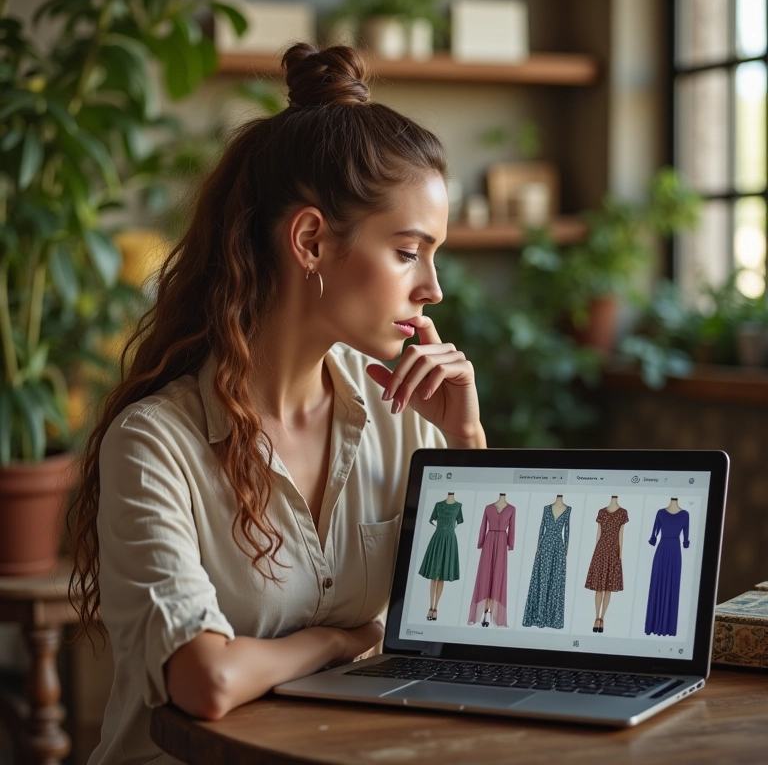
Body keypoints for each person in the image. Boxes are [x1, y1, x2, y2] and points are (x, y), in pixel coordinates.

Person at [67, 43, 486, 765]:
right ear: (312, 240)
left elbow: (470, 627)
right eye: (409, 251)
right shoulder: (154, 444)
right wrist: (338, 641)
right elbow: (205, 680)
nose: (433, 290)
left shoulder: (406, 416)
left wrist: (466, 441)